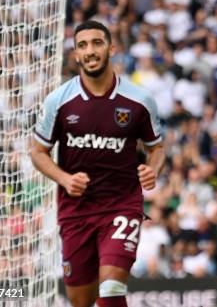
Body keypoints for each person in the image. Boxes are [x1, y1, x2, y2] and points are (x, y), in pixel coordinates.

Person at [30, 20, 165, 307]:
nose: (90, 50)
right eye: (82, 45)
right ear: (76, 55)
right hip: (75, 210)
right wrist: (64, 179)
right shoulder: (59, 101)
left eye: (97, 43)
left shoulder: (139, 100)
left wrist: (153, 168)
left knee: (112, 287)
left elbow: (157, 148)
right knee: (81, 301)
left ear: (111, 48)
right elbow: (38, 152)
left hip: (121, 205)